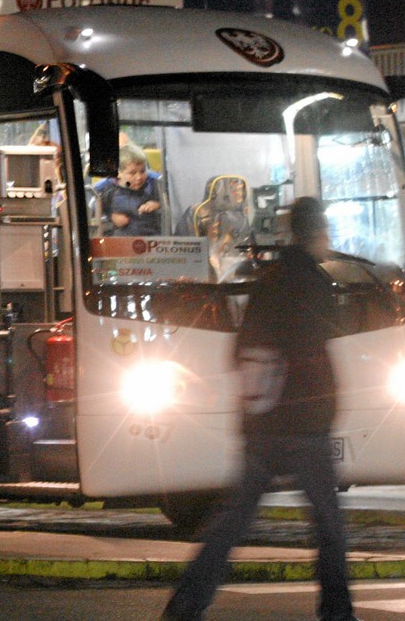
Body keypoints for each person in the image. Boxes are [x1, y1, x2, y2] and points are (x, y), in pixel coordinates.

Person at [163, 197, 356, 621]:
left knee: (230, 524)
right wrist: (325, 405)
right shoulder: (316, 284)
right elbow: (318, 351)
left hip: (262, 423)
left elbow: (239, 349)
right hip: (305, 425)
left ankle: (185, 606)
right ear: (318, 234)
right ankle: (337, 611)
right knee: (328, 525)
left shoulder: (267, 280)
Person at [94, 144, 163, 236]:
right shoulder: (105, 188)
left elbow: (170, 202)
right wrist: (111, 216)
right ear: (118, 173)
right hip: (121, 240)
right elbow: (94, 212)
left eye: (142, 171)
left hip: (152, 240)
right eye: (132, 173)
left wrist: (158, 204)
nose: (139, 177)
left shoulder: (154, 182)